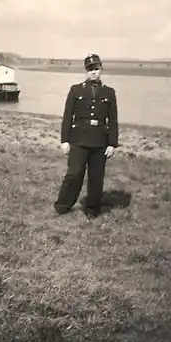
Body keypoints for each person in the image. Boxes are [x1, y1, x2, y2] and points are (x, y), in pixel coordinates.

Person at [54, 54, 119, 219]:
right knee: (74, 173)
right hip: (79, 140)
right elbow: (68, 116)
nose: (93, 72)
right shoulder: (76, 90)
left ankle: (92, 210)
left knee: (96, 178)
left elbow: (112, 120)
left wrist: (112, 144)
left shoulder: (109, 92)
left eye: (96, 69)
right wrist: (65, 140)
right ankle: (62, 206)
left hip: (99, 141)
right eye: (90, 69)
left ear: (101, 69)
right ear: (86, 71)